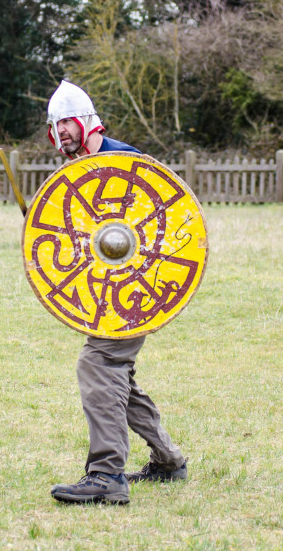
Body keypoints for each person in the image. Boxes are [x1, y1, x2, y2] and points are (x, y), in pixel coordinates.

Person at [45, 80, 188, 505]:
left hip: (139, 287)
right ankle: (168, 460)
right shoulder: (78, 171)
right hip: (108, 288)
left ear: (89, 122)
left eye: (67, 123)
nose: (61, 133)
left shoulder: (124, 162)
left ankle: (107, 475)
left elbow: (168, 223)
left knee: (99, 362)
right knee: (116, 372)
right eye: (55, 127)